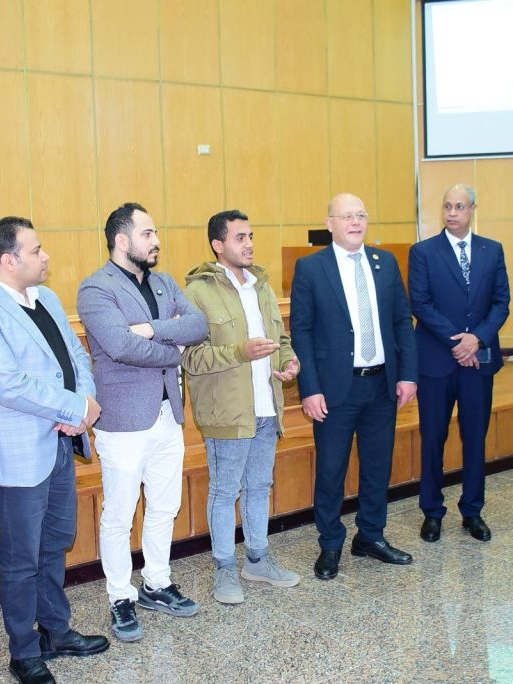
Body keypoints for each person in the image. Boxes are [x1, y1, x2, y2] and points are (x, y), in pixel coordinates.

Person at [0, 217, 109, 684]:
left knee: (56, 542)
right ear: (8, 260)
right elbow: (7, 383)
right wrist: (74, 406)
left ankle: (55, 631)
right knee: (21, 558)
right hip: (17, 450)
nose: (45, 257)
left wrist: (82, 407)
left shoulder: (48, 298)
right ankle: (23, 651)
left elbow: (77, 357)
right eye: (36, 250)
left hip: (60, 439)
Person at [77, 202, 208, 642]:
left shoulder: (165, 282)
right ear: (122, 240)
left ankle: (156, 582)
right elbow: (119, 346)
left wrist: (151, 329)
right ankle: (120, 596)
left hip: (168, 414)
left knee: (165, 506)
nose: (156, 241)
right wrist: (173, 348)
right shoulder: (96, 288)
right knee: (119, 513)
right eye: (147, 234)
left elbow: (199, 325)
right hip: (123, 421)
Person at [289, 193, 418, 581]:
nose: (355, 222)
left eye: (361, 215)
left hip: (381, 385)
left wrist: (408, 374)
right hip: (333, 390)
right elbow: (302, 331)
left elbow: (401, 321)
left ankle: (371, 536)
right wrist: (310, 388)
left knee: (378, 466)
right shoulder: (311, 268)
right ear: (329, 224)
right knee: (331, 470)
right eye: (346, 216)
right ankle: (330, 543)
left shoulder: (385, 262)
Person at [182, 209, 301, 604]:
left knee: (259, 487)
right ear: (218, 245)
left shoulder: (261, 286)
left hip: (266, 408)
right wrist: (240, 352)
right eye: (240, 238)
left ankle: (257, 560)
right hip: (226, 413)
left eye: (251, 236)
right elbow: (191, 358)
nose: (249, 244)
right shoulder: (197, 293)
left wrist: (288, 362)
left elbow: (281, 341)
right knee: (224, 491)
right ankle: (224, 569)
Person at [409, 184, 510, 543]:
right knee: (433, 438)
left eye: (459, 207)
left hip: (478, 362)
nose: (452, 213)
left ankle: (473, 510)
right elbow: (420, 303)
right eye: (447, 206)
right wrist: (457, 341)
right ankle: (432, 512)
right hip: (437, 361)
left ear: (472, 209)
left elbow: (501, 302)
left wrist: (476, 339)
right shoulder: (423, 252)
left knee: (475, 438)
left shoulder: (492, 250)